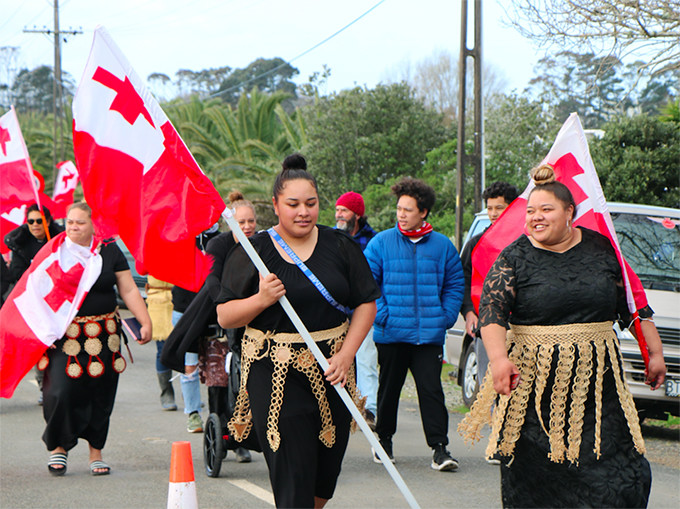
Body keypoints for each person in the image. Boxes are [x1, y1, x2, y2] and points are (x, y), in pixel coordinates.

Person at [459, 164, 667, 508]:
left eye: (546, 210)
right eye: (530, 211)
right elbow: (492, 314)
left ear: (571, 212)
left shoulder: (602, 248)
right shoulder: (514, 257)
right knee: (539, 482)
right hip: (534, 391)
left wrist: (654, 353)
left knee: (620, 478)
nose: (535, 218)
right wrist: (498, 360)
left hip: (598, 389)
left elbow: (632, 306)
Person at [216, 154, 379, 508]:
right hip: (274, 375)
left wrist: (347, 353)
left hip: (332, 371)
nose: (303, 211)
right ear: (275, 205)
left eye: (311, 203)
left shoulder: (341, 246)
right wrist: (260, 299)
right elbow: (226, 315)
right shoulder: (253, 251)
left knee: (323, 478)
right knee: (293, 477)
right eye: (293, 204)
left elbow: (367, 302)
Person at [42, 202, 152, 476]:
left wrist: (144, 320)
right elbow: (39, 292)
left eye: (79, 222)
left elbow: (127, 289)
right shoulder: (55, 250)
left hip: (104, 336)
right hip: (64, 337)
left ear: (93, 225)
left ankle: (96, 452)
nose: (73, 227)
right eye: (70, 222)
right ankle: (59, 448)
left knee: (100, 395)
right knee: (60, 391)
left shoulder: (110, 250)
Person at [363, 177, 465, 471]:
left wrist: (445, 316)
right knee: (389, 389)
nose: (401, 214)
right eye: (399, 208)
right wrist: (384, 315)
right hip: (391, 333)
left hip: (429, 335)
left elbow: (455, 285)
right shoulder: (381, 243)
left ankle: (440, 449)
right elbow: (369, 284)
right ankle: (383, 440)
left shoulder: (443, 246)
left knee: (432, 391)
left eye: (408, 209)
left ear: (423, 213)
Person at [199, 189, 259, 463]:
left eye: (251, 222)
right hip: (220, 323)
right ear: (230, 223)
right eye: (241, 222)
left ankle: (246, 434)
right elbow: (212, 280)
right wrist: (227, 303)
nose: (247, 227)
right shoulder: (218, 246)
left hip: (255, 323)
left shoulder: (263, 244)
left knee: (247, 384)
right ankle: (226, 433)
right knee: (220, 384)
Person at [459, 182, 518, 391]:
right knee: (489, 386)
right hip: (486, 326)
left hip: (520, 329)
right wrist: (468, 312)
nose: (493, 213)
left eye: (499, 208)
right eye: (489, 208)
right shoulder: (476, 242)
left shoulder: (525, 242)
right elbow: (462, 279)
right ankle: (493, 424)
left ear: (512, 208)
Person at [4, 203, 64, 403]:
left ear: (47, 221)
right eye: (31, 221)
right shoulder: (20, 243)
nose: (35, 225)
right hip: (31, 302)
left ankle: (61, 384)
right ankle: (43, 385)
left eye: (39, 221)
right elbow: (15, 275)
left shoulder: (60, 240)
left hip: (57, 300)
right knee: (38, 345)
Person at [335, 191, 378, 429]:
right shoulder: (329, 238)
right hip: (336, 311)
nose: (339, 215)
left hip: (363, 310)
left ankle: (368, 410)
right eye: (338, 210)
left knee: (366, 361)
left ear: (357, 214)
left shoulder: (373, 241)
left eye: (344, 210)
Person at [172, 225, 220, 433]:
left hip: (214, 310)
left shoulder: (220, 240)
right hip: (185, 309)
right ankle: (193, 412)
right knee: (189, 365)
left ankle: (220, 416)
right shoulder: (181, 236)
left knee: (218, 367)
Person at [146, 275, 177, 410]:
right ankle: (167, 393)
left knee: (188, 350)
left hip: (179, 299)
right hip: (157, 301)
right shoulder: (149, 253)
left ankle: (190, 395)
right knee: (163, 350)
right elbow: (141, 268)